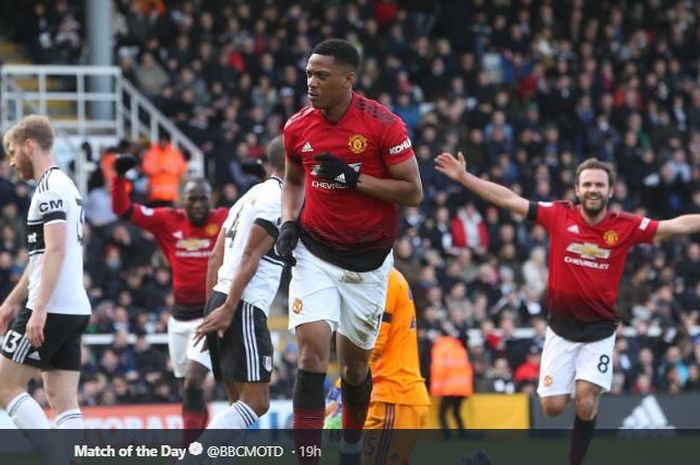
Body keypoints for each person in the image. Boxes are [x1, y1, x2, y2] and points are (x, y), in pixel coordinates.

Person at [435, 153, 700, 465]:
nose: (593, 189)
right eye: (587, 184)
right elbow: (510, 200)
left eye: (599, 184)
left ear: (610, 191)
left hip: (599, 331)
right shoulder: (558, 215)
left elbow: (676, 225)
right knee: (552, 406)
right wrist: (466, 178)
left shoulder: (625, 226)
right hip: (560, 330)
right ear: (577, 189)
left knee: (586, 401)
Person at [276, 38, 423, 465]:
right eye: (308, 74)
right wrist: (289, 222)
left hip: (368, 265)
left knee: (356, 370)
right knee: (310, 354)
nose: (312, 83)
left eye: (321, 75)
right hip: (315, 253)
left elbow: (413, 192)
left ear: (348, 79)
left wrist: (353, 179)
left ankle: (352, 450)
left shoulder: (383, 125)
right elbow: (292, 180)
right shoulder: (297, 127)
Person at [111, 155, 227, 438]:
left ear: (210, 200)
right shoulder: (168, 220)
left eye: (202, 199)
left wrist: (263, 179)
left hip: (207, 317)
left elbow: (258, 213)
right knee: (187, 389)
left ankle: (189, 452)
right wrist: (120, 177)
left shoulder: (223, 218)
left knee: (193, 382)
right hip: (178, 320)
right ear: (181, 201)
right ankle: (199, 447)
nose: (198, 204)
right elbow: (122, 209)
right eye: (192, 199)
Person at [0, 116, 90, 453]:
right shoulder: (64, 185)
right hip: (73, 307)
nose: (11, 161)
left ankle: (58, 456)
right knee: (62, 398)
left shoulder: (50, 189)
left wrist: (37, 309)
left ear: (29, 145)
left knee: (4, 386)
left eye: (12, 151)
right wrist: (11, 302)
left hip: (52, 306)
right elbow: (41, 257)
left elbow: (55, 249)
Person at [192, 135, 285, 432]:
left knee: (237, 404)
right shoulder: (278, 199)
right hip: (243, 302)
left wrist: (212, 309)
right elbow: (250, 255)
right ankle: (192, 457)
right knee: (257, 402)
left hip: (222, 296)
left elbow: (215, 256)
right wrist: (229, 308)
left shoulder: (247, 197)